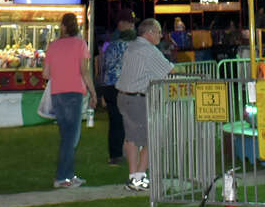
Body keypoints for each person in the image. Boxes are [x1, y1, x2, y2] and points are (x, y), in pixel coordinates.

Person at [115, 19, 174, 192]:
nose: (160, 36)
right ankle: (137, 177)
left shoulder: (132, 46)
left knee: (131, 138)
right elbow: (170, 71)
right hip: (137, 99)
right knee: (152, 137)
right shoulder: (149, 50)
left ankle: (135, 177)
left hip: (124, 97)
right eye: (158, 32)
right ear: (149, 33)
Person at [43, 12, 98, 188]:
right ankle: (63, 177)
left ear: (63, 26)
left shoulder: (52, 46)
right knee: (71, 137)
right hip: (74, 93)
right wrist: (93, 92)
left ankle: (68, 175)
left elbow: (45, 73)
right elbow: (84, 71)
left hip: (57, 93)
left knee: (66, 136)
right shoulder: (80, 45)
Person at [98, 16, 136, 166]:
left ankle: (115, 156)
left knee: (115, 122)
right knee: (129, 121)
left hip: (109, 87)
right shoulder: (131, 47)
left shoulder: (111, 46)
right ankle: (129, 151)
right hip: (124, 85)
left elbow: (105, 67)